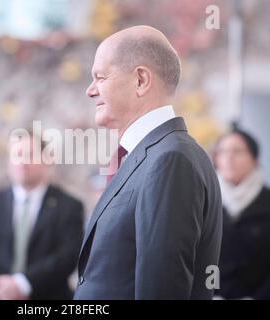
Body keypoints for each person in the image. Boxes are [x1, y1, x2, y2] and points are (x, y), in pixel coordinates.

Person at [73, 25, 223, 300]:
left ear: (141, 80)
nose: (90, 90)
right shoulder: (154, 155)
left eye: (100, 77)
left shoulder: (170, 160)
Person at [0, 133, 84, 300]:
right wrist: (1, 287)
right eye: (18, 155)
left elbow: (69, 255)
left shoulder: (69, 206)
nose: (23, 162)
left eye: (30, 155)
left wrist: (22, 284)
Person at [213, 129, 270, 299]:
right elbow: (197, 260)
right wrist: (210, 293)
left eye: (237, 151)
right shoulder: (204, 202)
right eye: (223, 151)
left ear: (255, 159)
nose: (229, 157)